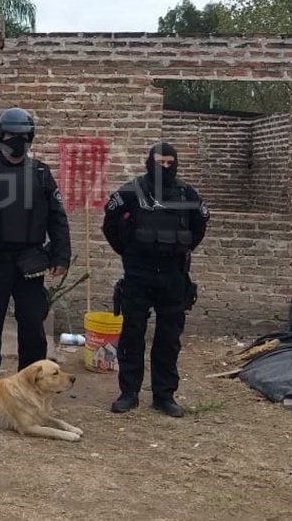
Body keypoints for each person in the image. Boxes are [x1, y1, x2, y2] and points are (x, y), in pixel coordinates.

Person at [0, 107, 71, 381]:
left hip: (30, 261)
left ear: (30, 138)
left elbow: (57, 218)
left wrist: (61, 256)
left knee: (32, 325)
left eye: (23, 135)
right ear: (0, 136)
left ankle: (33, 382)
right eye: (10, 135)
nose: (16, 140)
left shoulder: (41, 174)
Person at [102, 142, 209, 417]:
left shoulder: (187, 193)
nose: (164, 167)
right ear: (148, 162)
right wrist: (128, 252)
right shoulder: (130, 191)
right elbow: (110, 225)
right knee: (133, 334)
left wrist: (179, 250)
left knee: (169, 338)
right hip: (138, 273)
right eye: (159, 162)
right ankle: (129, 393)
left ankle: (164, 395)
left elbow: (199, 227)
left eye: (169, 163)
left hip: (174, 275)